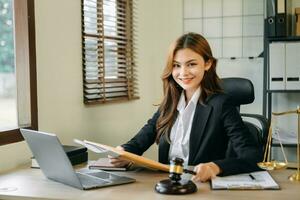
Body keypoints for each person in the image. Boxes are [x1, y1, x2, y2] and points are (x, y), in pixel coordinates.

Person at [109, 32, 263, 182]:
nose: (183, 73)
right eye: (176, 65)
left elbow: (253, 157)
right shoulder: (170, 103)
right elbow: (141, 139)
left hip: (201, 187)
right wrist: (124, 151)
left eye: (191, 64)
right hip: (168, 184)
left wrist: (215, 167)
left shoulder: (221, 104)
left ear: (208, 63)